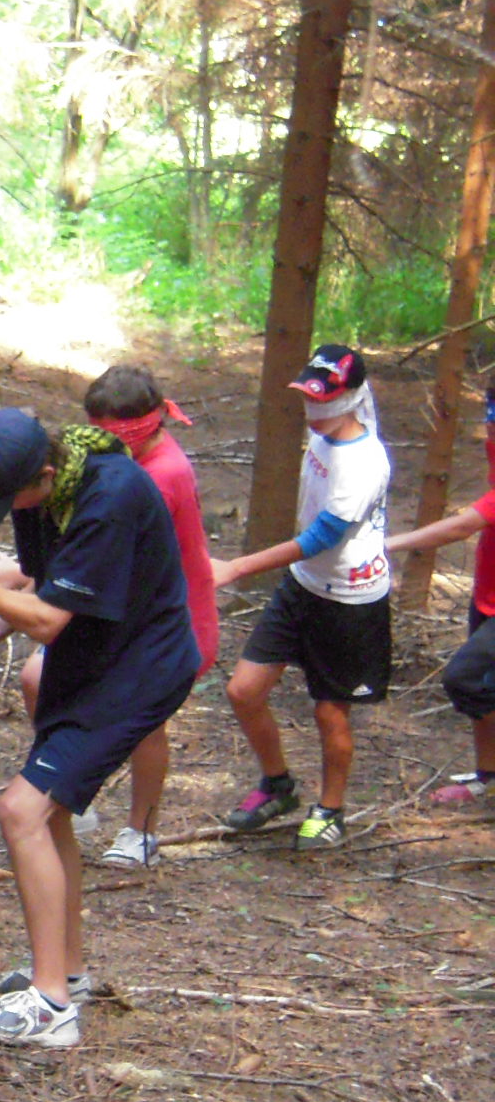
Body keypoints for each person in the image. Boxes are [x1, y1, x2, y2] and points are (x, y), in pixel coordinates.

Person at [0, 411, 198, 1047]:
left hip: (137, 671)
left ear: (45, 474)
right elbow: (50, 586)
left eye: (5, 501)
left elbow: (48, 620)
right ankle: (67, 974)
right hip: (90, 663)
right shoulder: (42, 491)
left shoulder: (110, 498)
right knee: (49, 819)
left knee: (21, 811)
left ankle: (50, 1006)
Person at [210, 345, 392, 853]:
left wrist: (237, 567)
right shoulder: (322, 436)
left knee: (330, 713)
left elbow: (321, 537)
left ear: (350, 398)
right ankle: (278, 786)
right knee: (244, 691)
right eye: (309, 395)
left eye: (324, 398)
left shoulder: (364, 462)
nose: (312, 408)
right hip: (303, 585)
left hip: (350, 600)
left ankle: (330, 810)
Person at [83, 365, 220, 867]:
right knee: (41, 679)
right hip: (133, 607)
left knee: (143, 719)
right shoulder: (130, 464)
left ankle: (142, 833)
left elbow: (114, 557)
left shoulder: (161, 477)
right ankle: (76, 798)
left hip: (172, 618)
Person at [383, 377, 495, 804]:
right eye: (489, 410)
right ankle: (487, 777)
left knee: (465, 680)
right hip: (487, 594)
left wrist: (386, 544)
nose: (490, 424)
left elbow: (462, 526)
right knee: (482, 684)